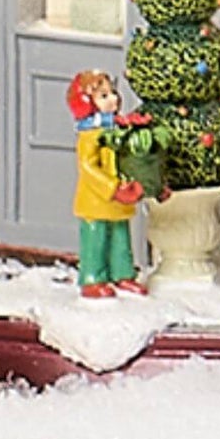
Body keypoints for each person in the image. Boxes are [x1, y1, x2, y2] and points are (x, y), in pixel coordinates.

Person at [65, 72, 149, 298]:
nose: (113, 98)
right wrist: (112, 187)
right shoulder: (90, 134)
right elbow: (88, 167)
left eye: (112, 92)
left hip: (119, 197)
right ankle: (93, 277)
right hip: (98, 199)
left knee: (121, 237)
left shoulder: (116, 129)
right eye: (104, 95)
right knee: (96, 238)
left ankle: (123, 273)